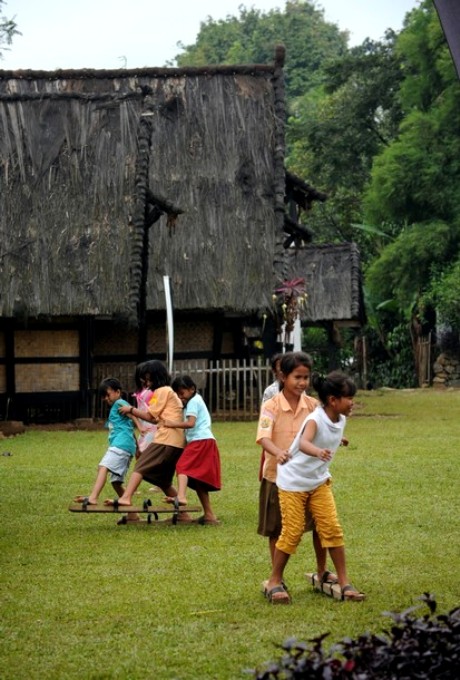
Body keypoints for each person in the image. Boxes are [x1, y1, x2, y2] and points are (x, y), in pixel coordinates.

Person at [263, 370, 365, 604]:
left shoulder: (340, 419)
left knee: (331, 528)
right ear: (333, 400)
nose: (352, 403)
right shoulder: (314, 418)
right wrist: (318, 451)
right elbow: (304, 442)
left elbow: (327, 433)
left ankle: (344, 580)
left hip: (318, 481)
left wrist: (339, 439)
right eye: (349, 398)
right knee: (293, 531)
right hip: (293, 482)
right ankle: (275, 580)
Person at [256, 352, 334, 590]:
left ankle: (322, 571)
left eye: (306, 377)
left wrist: (338, 438)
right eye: (297, 377)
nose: (302, 383)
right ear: (283, 376)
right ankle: (276, 579)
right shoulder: (270, 406)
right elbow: (262, 437)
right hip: (276, 476)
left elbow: (326, 428)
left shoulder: (313, 405)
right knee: (276, 529)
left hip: (309, 478)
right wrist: (277, 452)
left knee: (320, 526)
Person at [104, 360, 190, 520]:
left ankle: (126, 498)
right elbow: (155, 419)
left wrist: (131, 409)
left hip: (166, 439)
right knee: (163, 481)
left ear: (157, 377)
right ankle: (183, 515)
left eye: (149, 379)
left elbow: (151, 416)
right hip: (177, 442)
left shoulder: (162, 391)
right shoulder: (168, 392)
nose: (146, 383)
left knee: (141, 465)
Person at [73, 378, 138, 517]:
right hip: (126, 446)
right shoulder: (117, 407)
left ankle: (93, 497)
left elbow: (132, 414)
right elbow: (130, 428)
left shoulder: (120, 402)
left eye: (108, 395)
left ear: (118, 392)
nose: (105, 398)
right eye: (103, 396)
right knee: (116, 483)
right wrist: (137, 448)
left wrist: (142, 427)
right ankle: (133, 515)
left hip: (120, 446)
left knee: (103, 467)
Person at [162, 375, 221, 525]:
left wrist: (171, 424)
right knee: (199, 481)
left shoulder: (194, 401)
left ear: (192, 389)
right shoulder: (192, 402)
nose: (180, 397)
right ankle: (209, 515)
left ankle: (181, 496)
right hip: (203, 441)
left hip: (201, 441)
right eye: (178, 395)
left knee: (182, 466)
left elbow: (190, 423)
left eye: (182, 393)